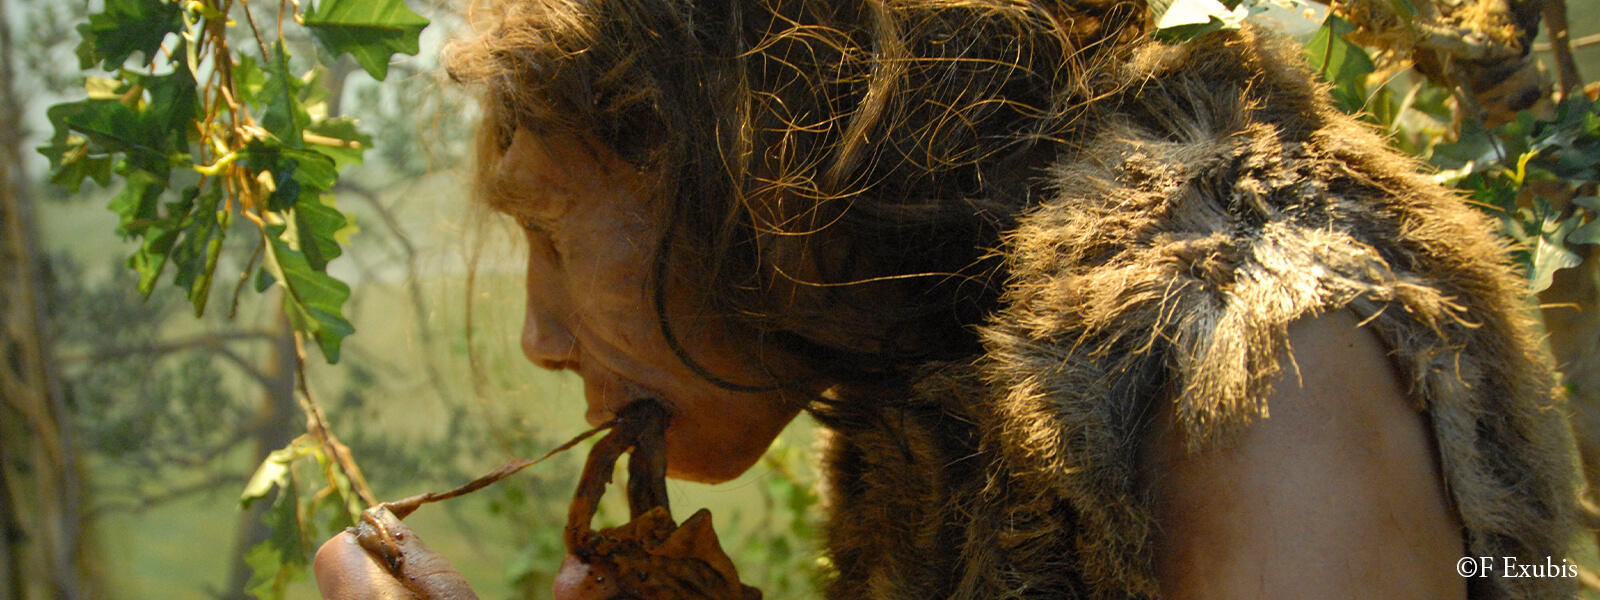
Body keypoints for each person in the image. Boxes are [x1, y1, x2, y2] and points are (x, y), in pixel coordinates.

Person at [314, 0, 1583, 598]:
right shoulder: (925, 380)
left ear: (742, 160)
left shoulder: (1240, 352)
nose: (538, 339)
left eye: (551, 230)